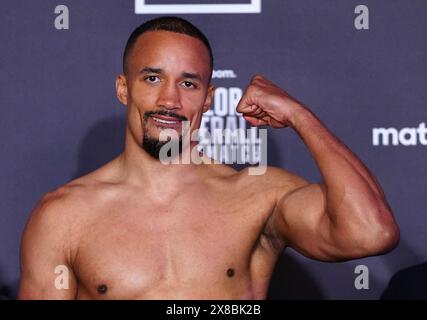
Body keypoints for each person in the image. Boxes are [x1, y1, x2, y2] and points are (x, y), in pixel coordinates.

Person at [19, 16, 399, 299]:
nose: (169, 100)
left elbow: (371, 232)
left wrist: (301, 115)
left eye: (188, 83)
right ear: (123, 88)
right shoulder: (63, 217)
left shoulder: (257, 196)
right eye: (152, 78)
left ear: (209, 98)